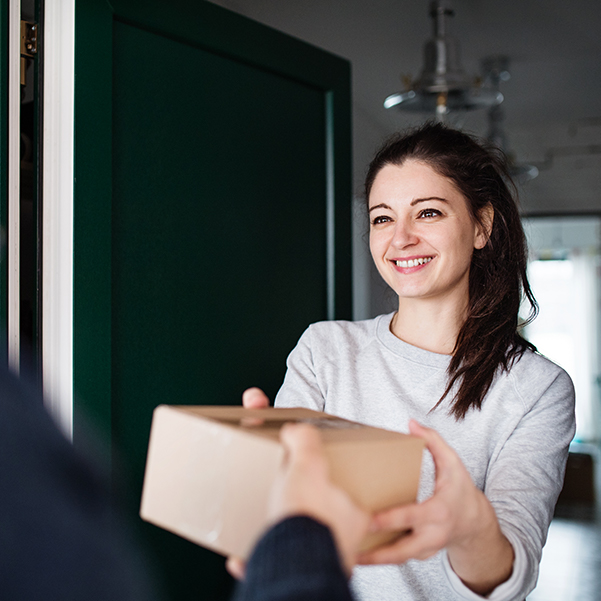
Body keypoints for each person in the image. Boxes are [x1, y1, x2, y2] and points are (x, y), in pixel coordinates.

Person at [239, 122, 576, 601]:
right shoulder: (325, 349)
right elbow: (281, 510)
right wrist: (254, 483)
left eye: (429, 213)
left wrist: (468, 528)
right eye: (382, 218)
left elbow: (508, 577)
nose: (400, 238)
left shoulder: (537, 387)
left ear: (482, 226)